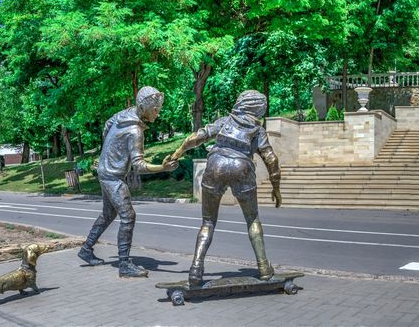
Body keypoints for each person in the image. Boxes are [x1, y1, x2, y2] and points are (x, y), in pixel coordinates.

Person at [169, 90, 282, 286]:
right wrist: (276, 188)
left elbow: (197, 137)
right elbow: (271, 159)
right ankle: (264, 268)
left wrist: (177, 152)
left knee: (208, 222)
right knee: (252, 219)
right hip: (243, 168)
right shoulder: (258, 131)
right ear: (257, 108)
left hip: (216, 166)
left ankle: (196, 269)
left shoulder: (225, 121)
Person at [77, 86, 178, 278]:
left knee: (108, 214)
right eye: (155, 109)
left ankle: (86, 249)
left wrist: (108, 153)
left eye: (159, 108)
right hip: (112, 176)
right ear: (144, 107)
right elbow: (139, 166)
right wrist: (162, 168)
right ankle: (124, 264)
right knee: (128, 215)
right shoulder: (135, 131)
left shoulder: (122, 115)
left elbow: (107, 125)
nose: (158, 112)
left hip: (104, 170)